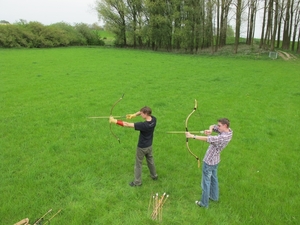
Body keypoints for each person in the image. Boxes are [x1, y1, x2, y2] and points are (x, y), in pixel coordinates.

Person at [185, 118, 233, 208]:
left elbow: (208, 139)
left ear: (225, 126)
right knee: (214, 179)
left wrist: (192, 136)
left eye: (219, 125)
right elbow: (212, 126)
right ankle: (214, 197)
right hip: (216, 161)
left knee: (205, 183)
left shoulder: (222, 138)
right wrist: (210, 129)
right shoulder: (229, 131)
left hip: (209, 162)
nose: (217, 127)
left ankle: (204, 204)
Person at [109, 106, 158, 187]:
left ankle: (137, 182)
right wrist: (134, 115)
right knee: (150, 160)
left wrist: (115, 121)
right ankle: (154, 176)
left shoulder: (143, 125)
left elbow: (127, 124)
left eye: (142, 114)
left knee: (138, 164)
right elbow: (141, 111)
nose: (141, 114)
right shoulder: (154, 119)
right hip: (149, 146)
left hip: (142, 147)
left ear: (146, 114)